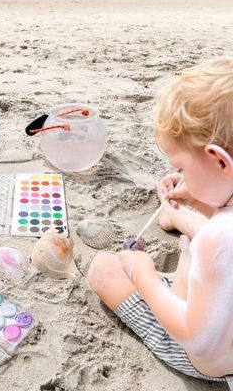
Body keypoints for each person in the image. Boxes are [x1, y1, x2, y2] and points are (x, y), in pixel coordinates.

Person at [87, 58, 233, 388]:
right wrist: (197, 198)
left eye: (182, 167)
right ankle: (179, 220)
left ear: (220, 161)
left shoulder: (218, 240)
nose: (180, 175)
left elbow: (199, 340)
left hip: (202, 354)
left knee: (103, 269)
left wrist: (144, 275)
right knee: (195, 239)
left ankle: (180, 229)